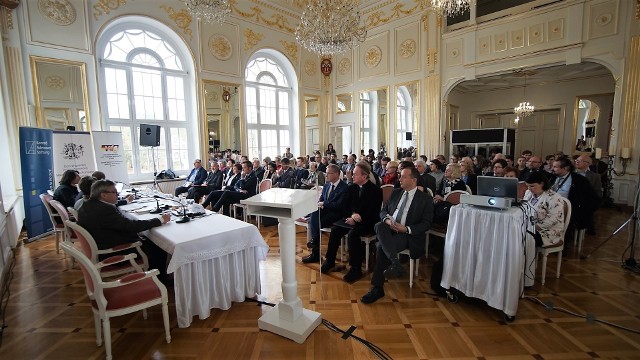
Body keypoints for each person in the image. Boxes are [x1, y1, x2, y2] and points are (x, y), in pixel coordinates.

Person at [360, 167, 434, 304]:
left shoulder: (425, 199)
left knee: (381, 247)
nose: (399, 179)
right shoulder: (396, 192)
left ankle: (378, 287)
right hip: (389, 229)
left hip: (407, 235)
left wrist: (406, 228)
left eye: (403, 177)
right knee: (379, 225)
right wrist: (387, 220)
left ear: (414, 180)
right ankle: (394, 262)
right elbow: (383, 211)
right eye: (400, 176)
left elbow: (427, 224)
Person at [77, 180, 170, 278]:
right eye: (114, 192)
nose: (117, 194)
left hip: (103, 242)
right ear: (103, 195)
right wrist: (160, 220)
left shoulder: (88, 205)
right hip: (112, 252)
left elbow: (122, 224)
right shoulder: (105, 210)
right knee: (157, 244)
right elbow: (131, 227)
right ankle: (159, 278)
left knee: (148, 238)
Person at [320, 163, 382, 283]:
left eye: (355, 174)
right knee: (336, 230)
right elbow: (345, 206)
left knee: (353, 235)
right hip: (351, 219)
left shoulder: (375, 190)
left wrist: (359, 217)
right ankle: (330, 260)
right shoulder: (352, 188)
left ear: (364, 176)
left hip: (367, 222)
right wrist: (352, 214)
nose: (352, 176)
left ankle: (355, 268)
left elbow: (374, 211)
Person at [302, 164, 349, 263]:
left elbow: (339, 205)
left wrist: (324, 204)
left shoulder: (344, 187)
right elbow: (322, 199)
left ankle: (315, 252)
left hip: (337, 214)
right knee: (315, 213)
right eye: (326, 173)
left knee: (313, 223)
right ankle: (315, 246)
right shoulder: (327, 185)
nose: (326, 175)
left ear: (336, 174)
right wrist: (320, 204)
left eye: (328, 173)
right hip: (326, 211)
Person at [523, 172, 565, 247]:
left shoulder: (554, 198)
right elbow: (524, 209)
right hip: (530, 227)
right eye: (527, 186)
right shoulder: (528, 193)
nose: (529, 188)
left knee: (522, 238)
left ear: (542, 183)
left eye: (532, 186)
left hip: (548, 232)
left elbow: (551, 221)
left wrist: (529, 227)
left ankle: (526, 258)